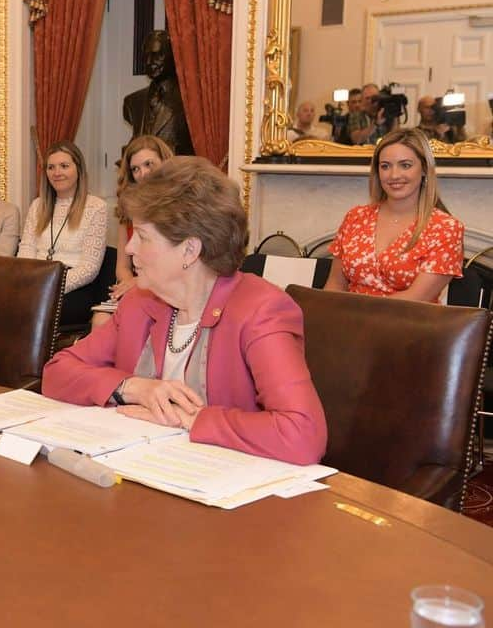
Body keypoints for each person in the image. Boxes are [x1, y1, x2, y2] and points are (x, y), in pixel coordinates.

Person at [42, 156, 328, 466]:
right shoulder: (141, 302)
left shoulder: (261, 311)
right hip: (144, 475)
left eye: (143, 237)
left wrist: (190, 419)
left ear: (190, 250)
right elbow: (57, 373)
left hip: (225, 490)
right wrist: (133, 387)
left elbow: (303, 434)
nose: (128, 249)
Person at [325, 128, 463, 302]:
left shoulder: (446, 228)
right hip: (348, 322)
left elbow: (416, 299)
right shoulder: (356, 217)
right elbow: (335, 285)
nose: (394, 175)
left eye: (405, 165)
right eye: (385, 166)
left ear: (424, 169)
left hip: (408, 324)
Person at [17, 141, 107, 326]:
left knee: (33, 311)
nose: (57, 173)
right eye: (51, 167)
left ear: (78, 169)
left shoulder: (96, 207)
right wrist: (33, 283)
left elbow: (89, 268)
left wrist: (51, 286)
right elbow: (26, 251)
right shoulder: (37, 205)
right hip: (37, 282)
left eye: (64, 166)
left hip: (74, 288)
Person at [91, 135, 174, 329]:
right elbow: (122, 266)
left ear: (165, 163)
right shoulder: (128, 210)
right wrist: (130, 284)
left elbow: (177, 265)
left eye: (149, 164)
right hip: (137, 287)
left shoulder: (179, 207)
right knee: (101, 320)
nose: (142, 173)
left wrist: (139, 282)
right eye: (135, 169)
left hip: (168, 288)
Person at [122, 30, 193, 156]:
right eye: (146, 56)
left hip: (177, 172)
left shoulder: (189, 101)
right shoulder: (132, 101)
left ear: (173, 56)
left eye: (157, 55)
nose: (149, 62)